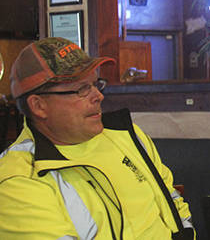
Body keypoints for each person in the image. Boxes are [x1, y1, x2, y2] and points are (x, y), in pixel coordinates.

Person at [0, 37, 195, 239]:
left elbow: (172, 200)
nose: (98, 96)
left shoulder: (127, 135)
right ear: (39, 106)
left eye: (95, 84)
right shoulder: (16, 182)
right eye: (82, 89)